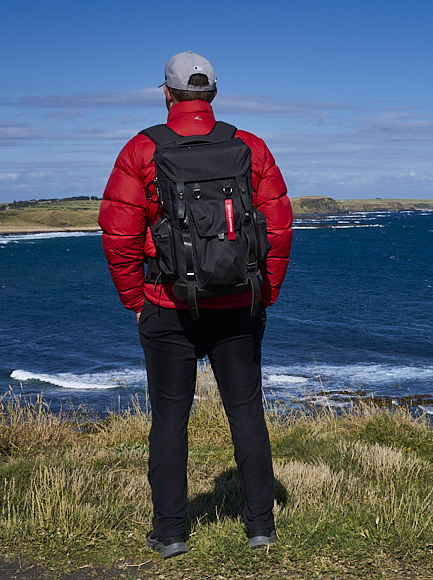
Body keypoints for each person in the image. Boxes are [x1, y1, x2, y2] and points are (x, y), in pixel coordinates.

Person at [98, 51, 293, 557]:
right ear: (212, 93)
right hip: (238, 307)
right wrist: (263, 292)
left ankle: (170, 534)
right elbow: (278, 226)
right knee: (246, 412)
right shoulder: (249, 146)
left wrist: (133, 300)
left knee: (169, 418)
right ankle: (260, 528)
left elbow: (119, 233)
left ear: (166, 93)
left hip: (166, 304)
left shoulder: (141, 149)